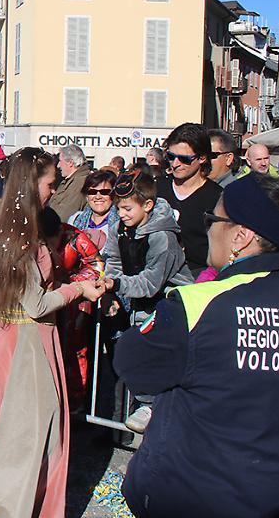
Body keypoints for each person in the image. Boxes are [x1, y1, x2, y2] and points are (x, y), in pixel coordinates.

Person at [0, 148, 104, 518]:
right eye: (49, 184)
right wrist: (81, 289)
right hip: (27, 342)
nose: (53, 191)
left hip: (21, 337)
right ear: (30, 184)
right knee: (28, 437)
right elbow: (37, 304)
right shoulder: (15, 232)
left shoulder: (18, 226)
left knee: (20, 433)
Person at [115, 174, 279, 518]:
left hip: (194, 493)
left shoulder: (197, 303)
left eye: (212, 220)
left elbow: (132, 364)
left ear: (241, 238)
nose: (206, 230)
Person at [101, 170, 193, 432]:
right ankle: (146, 404)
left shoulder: (162, 237)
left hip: (171, 301)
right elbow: (114, 262)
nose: (122, 214)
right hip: (141, 302)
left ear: (148, 205)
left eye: (128, 208)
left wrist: (116, 284)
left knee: (153, 352)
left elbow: (151, 282)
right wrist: (111, 288)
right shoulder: (120, 228)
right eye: (118, 209)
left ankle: (152, 406)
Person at [155, 123, 222, 277]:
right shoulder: (157, 188)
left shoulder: (217, 197)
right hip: (154, 279)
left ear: (202, 158)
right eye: (171, 157)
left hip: (196, 280)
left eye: (184, 159)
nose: (176, 164)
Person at [68, 169, 117, 246]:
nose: (98, 197)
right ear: (87, 196)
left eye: (104, 192)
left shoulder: (120, 224)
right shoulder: (74, 220)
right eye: (92, 192)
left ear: (113, 195)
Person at [49, 144, 91, 223]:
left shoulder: (79, 183)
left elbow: (64, 216)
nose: (58, 166)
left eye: (60, 161)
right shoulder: (71, 180)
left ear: (70, 163)